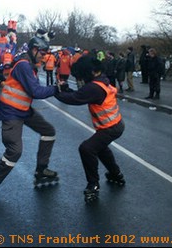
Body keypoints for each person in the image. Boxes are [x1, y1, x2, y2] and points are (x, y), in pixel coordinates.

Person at [0, 32, 59, 200]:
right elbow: (35, 91)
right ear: (34, 50)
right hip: (11, 112)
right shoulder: (24, 65)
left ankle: (41, 169)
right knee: (14, 151)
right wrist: (56, 89)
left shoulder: (29, 65)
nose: (44, 58)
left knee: (49, 131)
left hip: (23, 110)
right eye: (42, 54)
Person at [54, 55, 126, 203]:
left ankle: (93, 185)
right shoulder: (101, 80)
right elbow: (81, 93)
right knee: (100, 148)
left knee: (87, 148)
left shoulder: (94, 87)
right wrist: (67, 89)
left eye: (82, 75)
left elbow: (75, 99)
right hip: (115, 124)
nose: (80, 78)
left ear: (92, 72)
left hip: (110, 127)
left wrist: (58, 92)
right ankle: (115, 174)